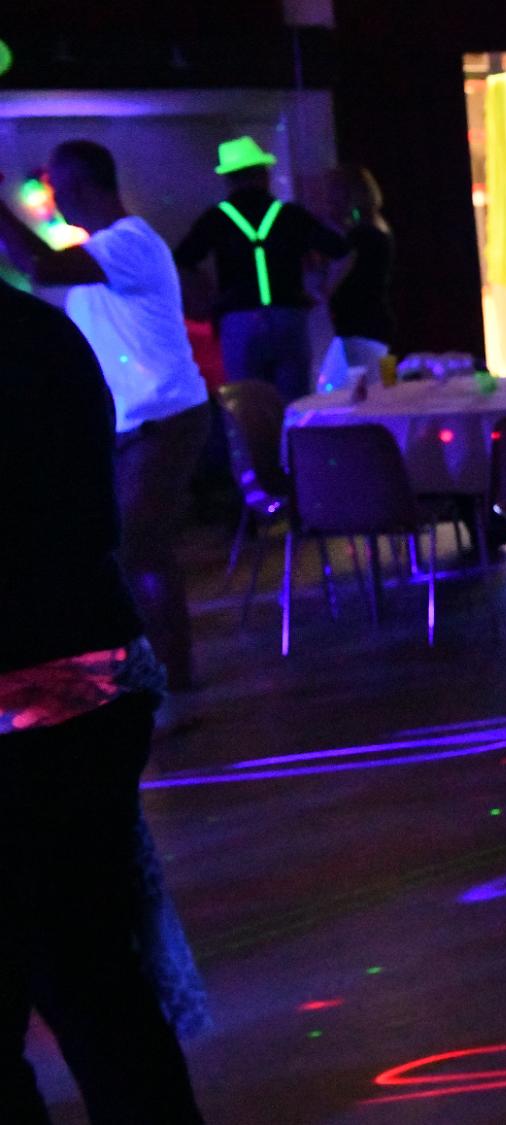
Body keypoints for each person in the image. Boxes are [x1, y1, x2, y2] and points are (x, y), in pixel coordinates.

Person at [0, 283, 205, 1124]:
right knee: (94, 978)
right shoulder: (43, 334)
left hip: (27, 699)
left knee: (74, 979)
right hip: (94, 680)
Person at [0, 142, 213, 702]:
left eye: (57, 187)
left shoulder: (131, 242)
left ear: (81, 184)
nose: (54, 200)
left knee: (140, 548)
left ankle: (174, 686)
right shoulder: (104, 254)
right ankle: (151, 676)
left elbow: (38, 266)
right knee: (126, 552)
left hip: (166, 420)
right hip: (137, 429)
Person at [174, 136, 347, 402]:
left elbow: (182, 258)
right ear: (263, 175)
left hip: (239, 320)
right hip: (287, 315)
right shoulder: (289, 214)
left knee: (248, 405)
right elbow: (340, 249)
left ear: (230, 180)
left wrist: (205, 293)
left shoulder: (217, 218)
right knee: (294, 404)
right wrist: (325, 288)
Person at [316, 164, 394, 393]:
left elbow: (332, 284)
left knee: (365, 393)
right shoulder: (377, 228)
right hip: (374, 322)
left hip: (359, 325)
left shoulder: (359, 237)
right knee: (374, 387)